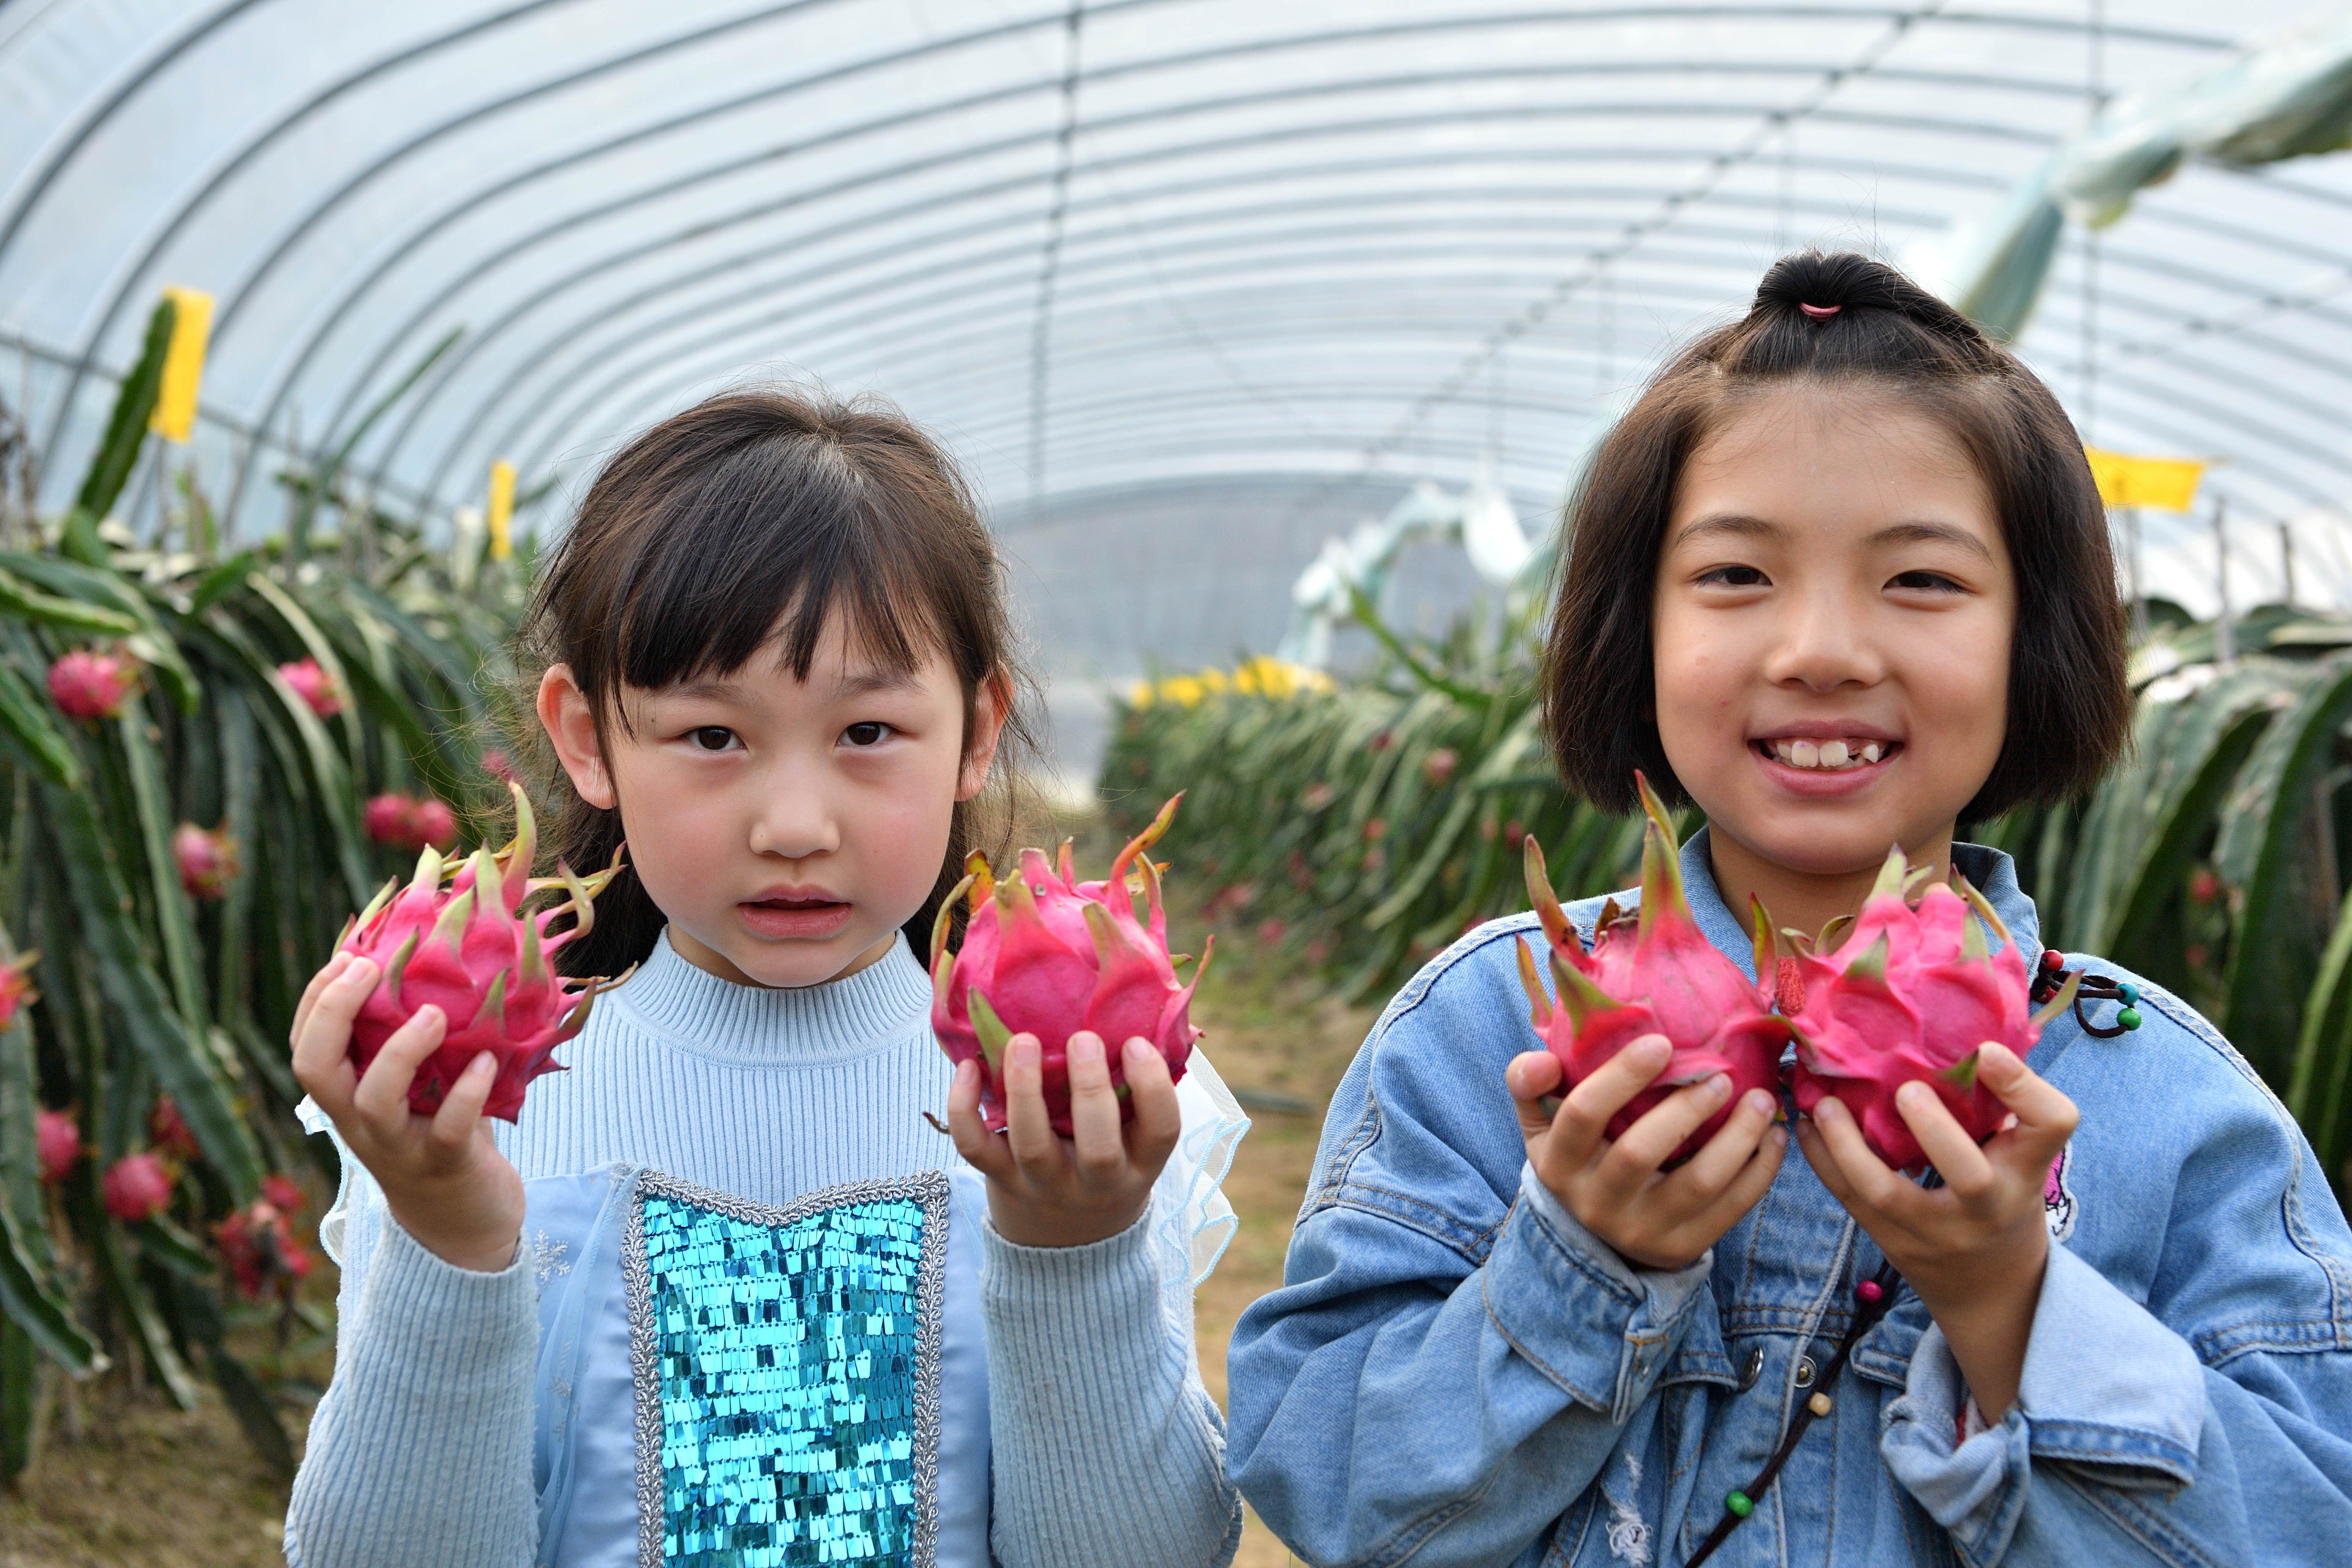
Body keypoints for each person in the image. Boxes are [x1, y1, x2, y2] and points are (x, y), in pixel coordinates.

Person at [1226, 252, 2352, 1565]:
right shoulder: (1488, 1033)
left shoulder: (2165, 1102)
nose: (1821, 650)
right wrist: (1579, 1264)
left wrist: (2012, 1307)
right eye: (1735, 576)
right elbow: (1329, 1487)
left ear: (2034, 639)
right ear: (1634, 630)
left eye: (1921, 580)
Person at [281, 389, 1247, 1566]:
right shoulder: (466, 1110)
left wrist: (1075, 1248)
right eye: (712, 737)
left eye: (867, 733)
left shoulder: (1081, 1104)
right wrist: (448, 1234)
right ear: (586, 739)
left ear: (978, 729)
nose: (794, 826)